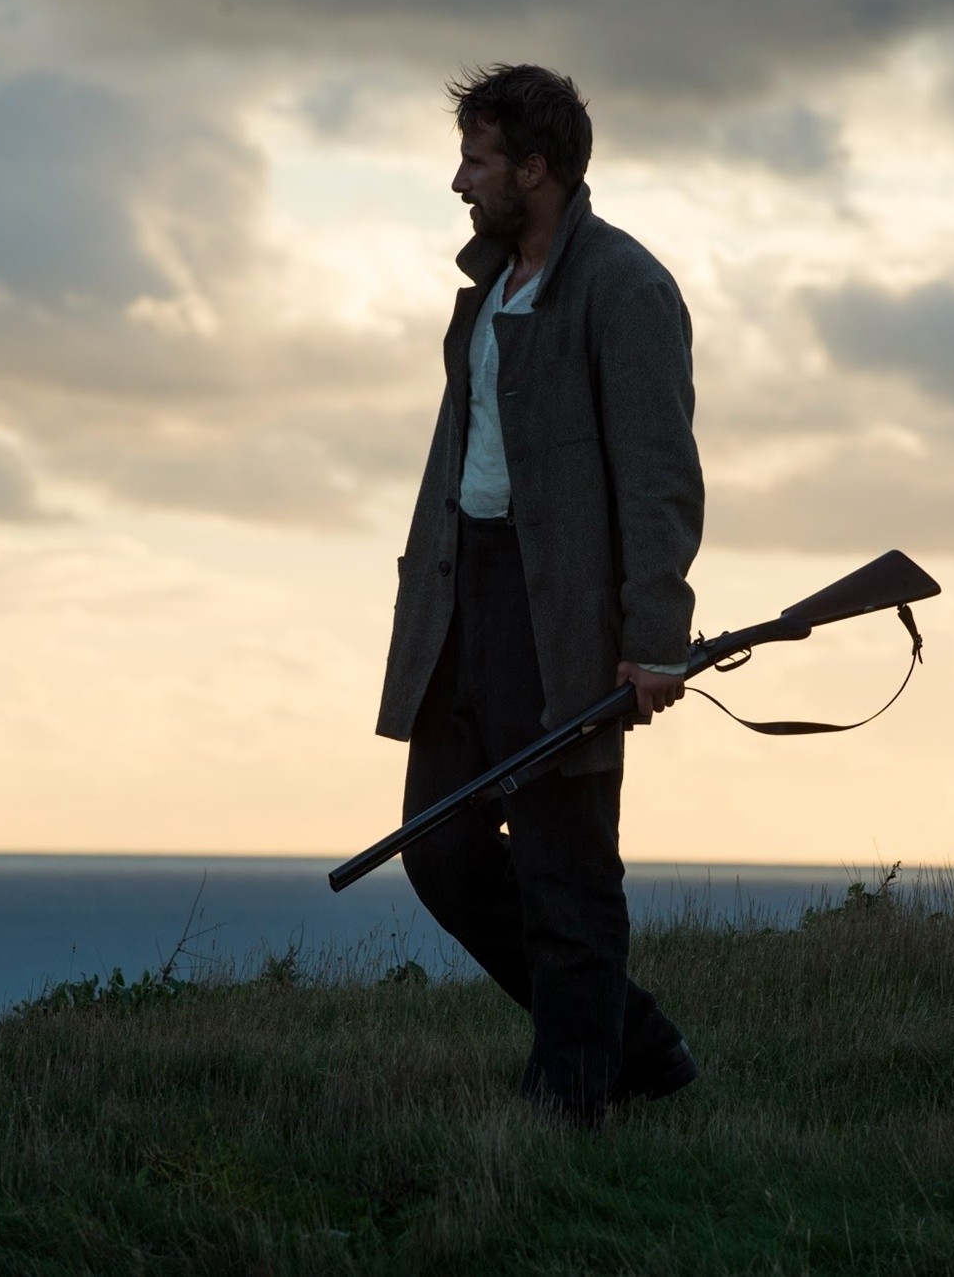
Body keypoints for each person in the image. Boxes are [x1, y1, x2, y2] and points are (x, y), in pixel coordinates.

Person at [374, 63, 706, 1125]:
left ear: (536, 168)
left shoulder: (626, 287)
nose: (457, 180)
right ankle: (637, 1043)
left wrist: (657, 637)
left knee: (566, 866)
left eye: (477, 159)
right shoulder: (483, 292)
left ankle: (572, 1095)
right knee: (438, 847)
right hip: (460, 602)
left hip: (558, 615)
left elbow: (658, 477)